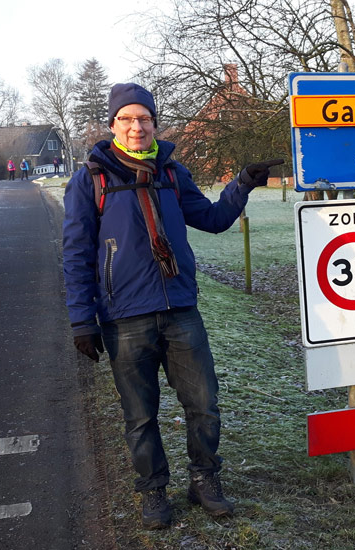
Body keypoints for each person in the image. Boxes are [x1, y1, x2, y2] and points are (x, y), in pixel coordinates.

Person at [62, 83, 282, 530]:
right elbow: (76, 252)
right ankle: (153, 492)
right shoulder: (92, 178)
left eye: (143, 118)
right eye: (126, 119)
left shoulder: (172, 172)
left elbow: (214, 220)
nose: (136, 126)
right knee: (140, 415)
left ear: (155, 124)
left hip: (180, 309)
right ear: (113, 126)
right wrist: (82, 320)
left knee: (204, 404)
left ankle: (204, 479)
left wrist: (242, 184)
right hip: (124, 318)